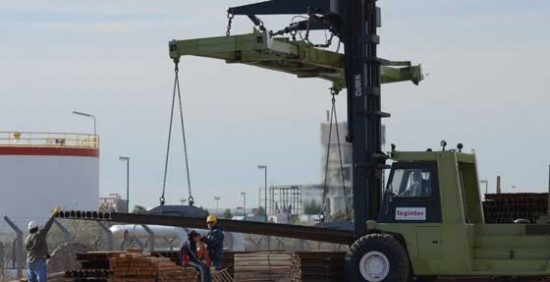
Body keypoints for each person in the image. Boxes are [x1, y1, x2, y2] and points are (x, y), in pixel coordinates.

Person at [25, 207, 60, 282]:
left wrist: (46, 254)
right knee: (42, 280)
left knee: (31, 280)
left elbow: (36, 248)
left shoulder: (26, 239)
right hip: (38, 262)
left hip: (29, 262)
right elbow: (47, 226)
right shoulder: (39, 234)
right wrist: (53, 216)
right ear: (36, 227)